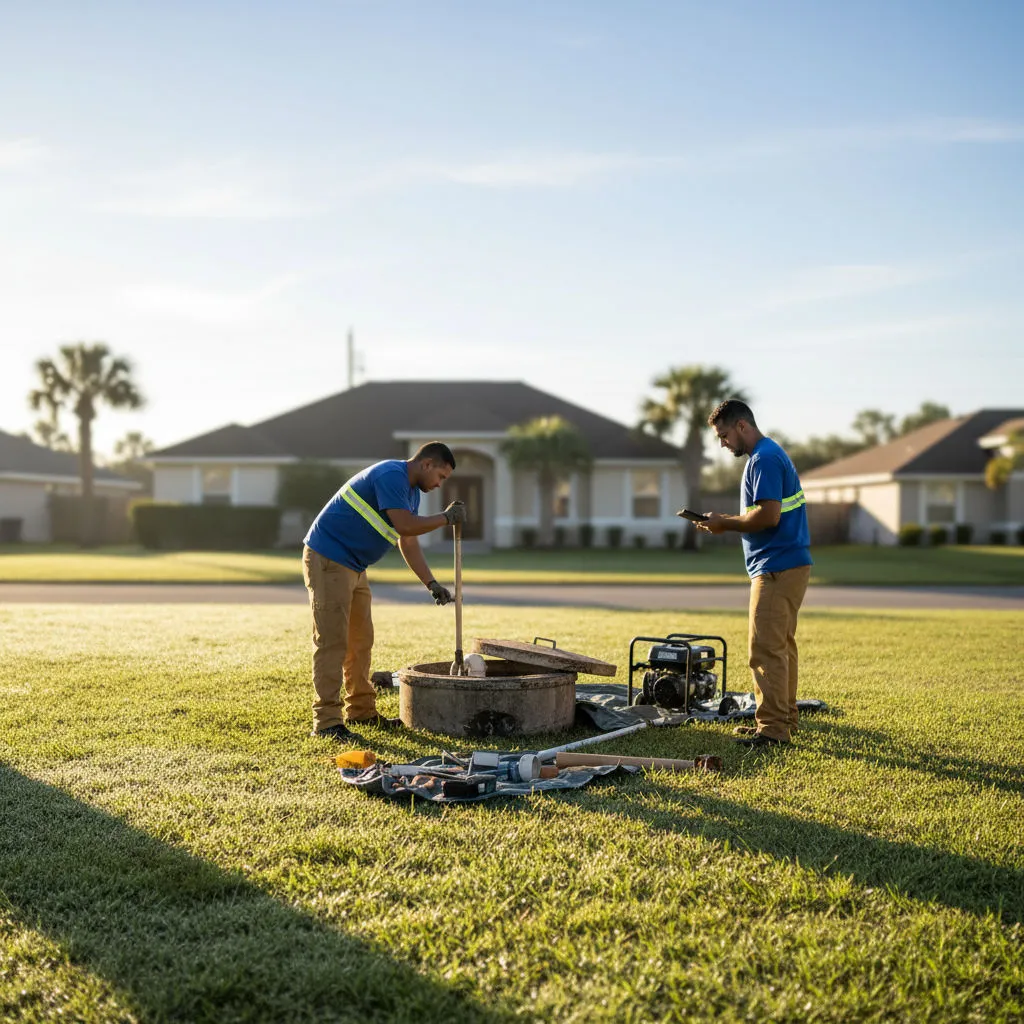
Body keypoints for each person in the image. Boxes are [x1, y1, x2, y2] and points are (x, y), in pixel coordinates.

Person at [302, 441, 467, 741]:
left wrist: (431, 583)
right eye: (441, 477)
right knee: (333, 643)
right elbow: (406, 525)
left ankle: (361, 711)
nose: (440, 484)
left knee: (360, 641)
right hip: (329, 559)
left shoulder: (411, 492)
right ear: (426, 464)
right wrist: (446, 518)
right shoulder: (392, 475)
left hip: (354, 566)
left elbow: (408, 539)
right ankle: (326, 722)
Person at [696, 399, 812, 748]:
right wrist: (727, 521)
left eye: (724, 435)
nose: (723, 443)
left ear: (742, 426)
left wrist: (723, 524)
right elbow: (764, 513)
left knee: (764, 649)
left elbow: (768, 516)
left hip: (777, 566)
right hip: (786, 563)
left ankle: (773, 730)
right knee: (781, 647)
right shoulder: (768, 456)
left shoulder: (764, 459)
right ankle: (782, 718)